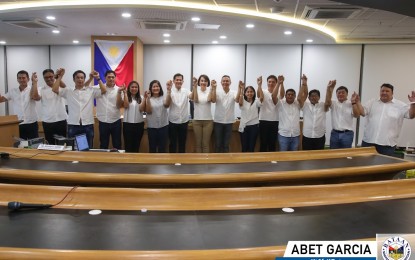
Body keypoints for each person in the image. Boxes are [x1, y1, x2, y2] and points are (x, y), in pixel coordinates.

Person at [356, 83, 415, 156]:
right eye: (382, 91)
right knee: (365, 165)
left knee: (384, 166)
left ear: (392, 93)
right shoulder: (372, 102)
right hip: (368, 142)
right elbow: (362, 112)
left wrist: (413, 103)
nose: (384, 93)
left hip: (387, 145)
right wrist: (358, 102)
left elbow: (411, 115)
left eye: (387, 91)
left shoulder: (400, 105)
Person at [52, 69, 106, 148]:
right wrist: (59, 77)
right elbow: (54, 89)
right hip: (73, 125)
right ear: (74, 79)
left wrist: (97, 78)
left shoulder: (90, 90)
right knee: (73, 148)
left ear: (84, 79)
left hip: (87, 124)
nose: (80, 79)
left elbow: (104, 90)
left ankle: (86, 160)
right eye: (77, 78)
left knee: (87, 148)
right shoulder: (68, 90)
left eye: (82, 78)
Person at [30, 69, 68, 145]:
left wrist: (59, 76)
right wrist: (34, 82)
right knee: (50, 144)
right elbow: (35, 97)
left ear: (54, 76)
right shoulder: (41, 89)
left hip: (61, 120)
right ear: (43, 78)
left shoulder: (60, 86)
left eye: (51, 76)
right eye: (46, 77)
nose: (48, 79)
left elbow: (65, 86)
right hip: (48, 121)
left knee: (63, 144)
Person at [0, 70, 39, 140]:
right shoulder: (13, 91)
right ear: (17, 79)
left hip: (32, 123)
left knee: (34, 146)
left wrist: (34, 83)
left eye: (23, 78)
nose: (21, 80)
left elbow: (36, 97)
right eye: (19, 78)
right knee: (21, 146)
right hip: (18, 124)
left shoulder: (33, 89)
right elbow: (1, 100)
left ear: (28, 79)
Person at [325, 81, 360, 149]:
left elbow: (357, 115)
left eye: (343, 93)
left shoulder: (351, 103)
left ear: (347, 94)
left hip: (347, 134)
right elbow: (327, 101)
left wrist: (353, 103)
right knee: (333, 154)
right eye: (339, 93)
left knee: (345, 155)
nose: (341, 94)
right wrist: (329, 89)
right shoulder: (334, 103)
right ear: (336, 94)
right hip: (334, 134)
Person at [297, 75, 327, 150]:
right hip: (307, 136)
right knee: (306, 157)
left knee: (319, 158)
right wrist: (304, 84)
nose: (314, 97)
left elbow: (328, 101)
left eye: (316, 96)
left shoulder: (323, 105)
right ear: (309, 98)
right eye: (312, 96)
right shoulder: (305, 105)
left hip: (319, 136)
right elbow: (299, 98)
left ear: (319, 97)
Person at [95, 70, 122, 150]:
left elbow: (119, 105)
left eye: (113, 77)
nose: (111, 79)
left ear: (115, 78)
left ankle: (117, 162)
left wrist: (120, 93)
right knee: (103, 144)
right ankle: (103, 162)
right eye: (109, 77)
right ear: (105, 78)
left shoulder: (119, 90)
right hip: (103, 121)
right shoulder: (98, 88)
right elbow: (85, 88)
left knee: (117, 145)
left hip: (116, 121)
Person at [164, 73, 190, 153]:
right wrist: (168, 90)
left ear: (183, 81)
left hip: (184, 121)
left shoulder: (186, 91)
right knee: (172, 143)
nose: (179, 81)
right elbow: (166, 105)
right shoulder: (170, 91)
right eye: (177, 80)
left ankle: (182, 162)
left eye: (180, 80)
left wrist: (195, 86)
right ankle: (172, 162)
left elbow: (193, 97)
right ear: (174, 81)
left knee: (182, 143)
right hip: (172, 122)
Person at [189, 75, 215, 153]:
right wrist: (194, 87)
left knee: (205, 144)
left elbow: (209, 99)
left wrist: (211, 89)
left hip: (208, 121)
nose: (203, 82)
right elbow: (195, 100)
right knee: (198, 144)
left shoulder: (210, 90)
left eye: (205, 81)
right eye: (202, 80)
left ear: (208, 82)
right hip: (197, 121)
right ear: (199, 82)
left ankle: (205, 163)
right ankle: (198, 164)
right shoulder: (195, 90)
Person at [212, 75, 238, 153]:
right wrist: (214, 88)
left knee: (226, 144)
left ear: (230, 82)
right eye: (224, 81)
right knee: (218, 144)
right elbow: (213, 100)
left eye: (227, 81)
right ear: (221, 82)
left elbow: (237, 100)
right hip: (218, 122)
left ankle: (226, 163)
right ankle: (217, 163)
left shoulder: (234, 92)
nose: (225, 82)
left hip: (229, 122)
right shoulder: (217, 91)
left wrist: (240, 88)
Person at [117, 80, 145, 153]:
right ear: (129, 88)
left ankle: (135, 162)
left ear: (138, 89)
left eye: (136, 87)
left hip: (139, 124)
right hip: (128, 124)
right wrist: (125, 92)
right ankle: (128, 163)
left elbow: (142, 110)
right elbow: (126, 105)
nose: (134, 89)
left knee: (137, 145)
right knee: (128, 145)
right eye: (132, 87)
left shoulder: (141, 97)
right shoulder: (125, 96)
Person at [276, 75, 301, 151]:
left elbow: (303, 96)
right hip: (283, 135)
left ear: (295, 96)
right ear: (285, 96)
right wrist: (280, 83)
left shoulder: (298, 104)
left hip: (295, 135)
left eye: (292, 95)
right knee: (283, 157)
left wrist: (304, 84)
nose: (290, 96)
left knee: (294, 158)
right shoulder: (281, 103)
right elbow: (274, 96)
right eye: (288, 94)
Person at [145, 80, 169, 153]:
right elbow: (148, 111)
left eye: (157, 86)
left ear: (160, 88)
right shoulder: (148, 98)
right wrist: (148, 98)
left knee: (162, 148)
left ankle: (162, 164)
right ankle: (152, 164)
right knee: (152, 148)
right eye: (154, 86)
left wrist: (169, 91)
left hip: (163, 126)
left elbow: (167, 105)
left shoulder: (164, 97)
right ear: (151, 88)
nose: (156, 88)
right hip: (152, 127)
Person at [257, 75, 279, 152]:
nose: (271, 83)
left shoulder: (278, 93)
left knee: (272, 143)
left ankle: (272, 161)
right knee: (263, 143)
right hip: (263, 120)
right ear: (267, 83)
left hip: (275, 120)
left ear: (276, 83)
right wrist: (259, 85)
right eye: (269, 82)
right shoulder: (263, 91)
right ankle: (262, 162)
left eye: (273, 82)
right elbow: (258, 96)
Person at [238, 80, 260, 152]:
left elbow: (262, 98)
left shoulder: (256, 101)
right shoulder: (242, 100)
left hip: (254, 126)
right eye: (247, 92)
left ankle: (250, 163)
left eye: (251, 92)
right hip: (244, 126)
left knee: (251, 147)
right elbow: (240, 103)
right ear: (245, 93)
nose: (249, 93)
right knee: (244, 147)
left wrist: (259, 85)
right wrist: (241, 89)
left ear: (254, 93)